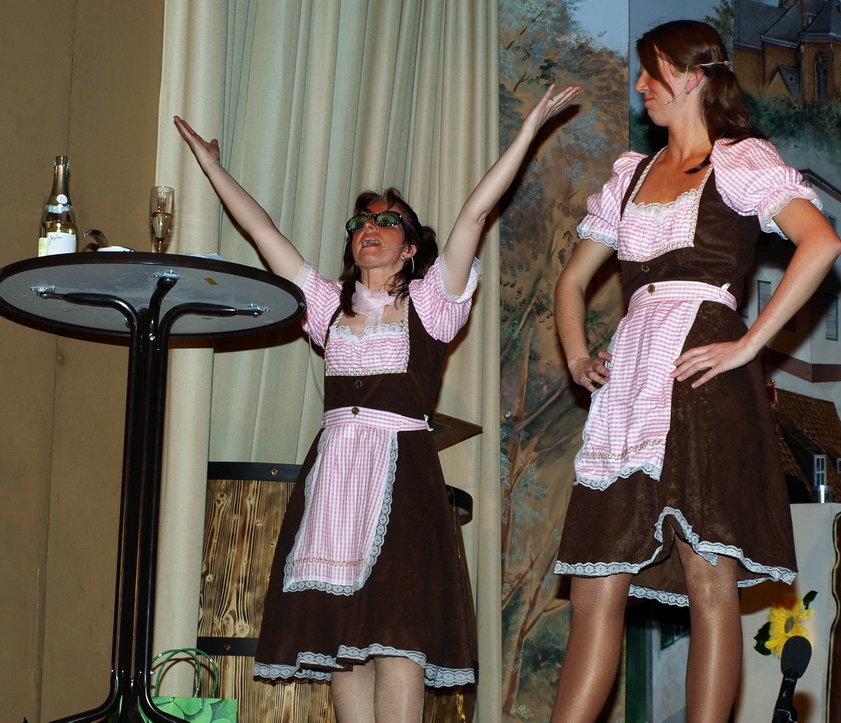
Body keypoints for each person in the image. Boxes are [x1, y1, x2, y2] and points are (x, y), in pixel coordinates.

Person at [175, 83, 579, 723]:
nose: (370, 229)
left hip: (402, 477)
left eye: (387, 222)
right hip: (335, 477)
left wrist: (529, 131)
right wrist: (213, 166)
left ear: (411, 247)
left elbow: (475, 215)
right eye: (361, 222)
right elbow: (262, 231)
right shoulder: (326, 307)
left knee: (398, 638)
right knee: (344, 645)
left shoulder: (432, 304)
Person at [551, 20, 841, 723]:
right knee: (595, 584)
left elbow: (820, 243)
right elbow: (571, 282)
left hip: (701, 374)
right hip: (629, 382)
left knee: (709, 578)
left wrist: (749, 345)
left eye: (652, 73)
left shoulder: (739, 159)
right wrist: (578, 354)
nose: (641, 86)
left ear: (692, 77)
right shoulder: (630, 174)